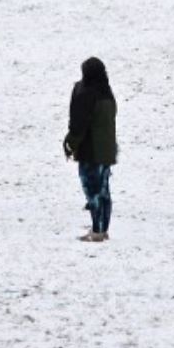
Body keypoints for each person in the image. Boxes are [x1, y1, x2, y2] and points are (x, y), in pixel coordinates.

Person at [63, 56, 118, 241]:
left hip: (91, 151)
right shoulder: (107, 92)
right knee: (104, 191)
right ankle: (103, 229)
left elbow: (79, 125)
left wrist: (70, 144)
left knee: (92, 192)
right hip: (107, 151)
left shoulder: (87, 94)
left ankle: (97, 231)